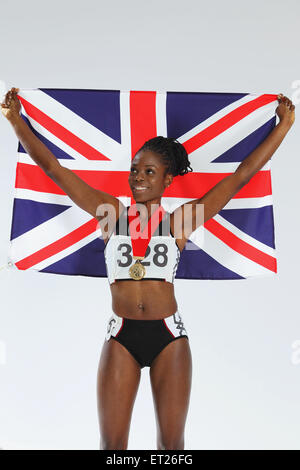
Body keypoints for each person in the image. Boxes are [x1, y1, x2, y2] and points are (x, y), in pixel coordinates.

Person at [1, 88, 295, 450]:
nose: (138, 177)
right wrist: (16, 120)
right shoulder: (109, 214)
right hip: (121, 335)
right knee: (112, 447)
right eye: (135, 170)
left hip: (169, 337)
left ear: (166, 181)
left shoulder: (181, 222)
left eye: (149, 171)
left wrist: (284, 126)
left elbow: (240, 176)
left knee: (171, 448)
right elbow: (53, 169)